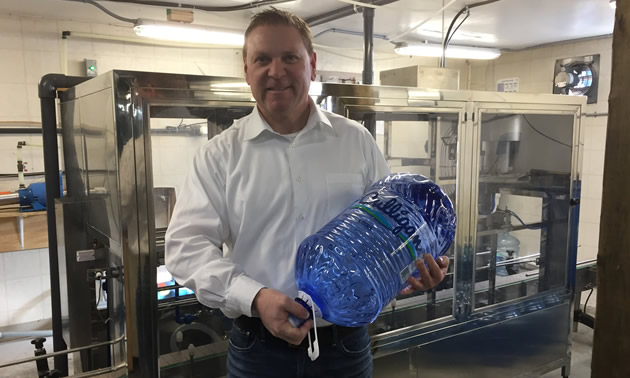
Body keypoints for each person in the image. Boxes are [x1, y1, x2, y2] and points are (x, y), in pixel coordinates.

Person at [165, 7, 450, 378]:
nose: (276, 71)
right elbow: (185, 249)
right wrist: (255, 296)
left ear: (312, 65)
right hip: (258, 351)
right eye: (263, 59)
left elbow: (394, 225)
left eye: (290, 58)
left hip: (345, 347)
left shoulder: (355, 141)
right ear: (246, 69)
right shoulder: (220, 155)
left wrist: (420, 264)